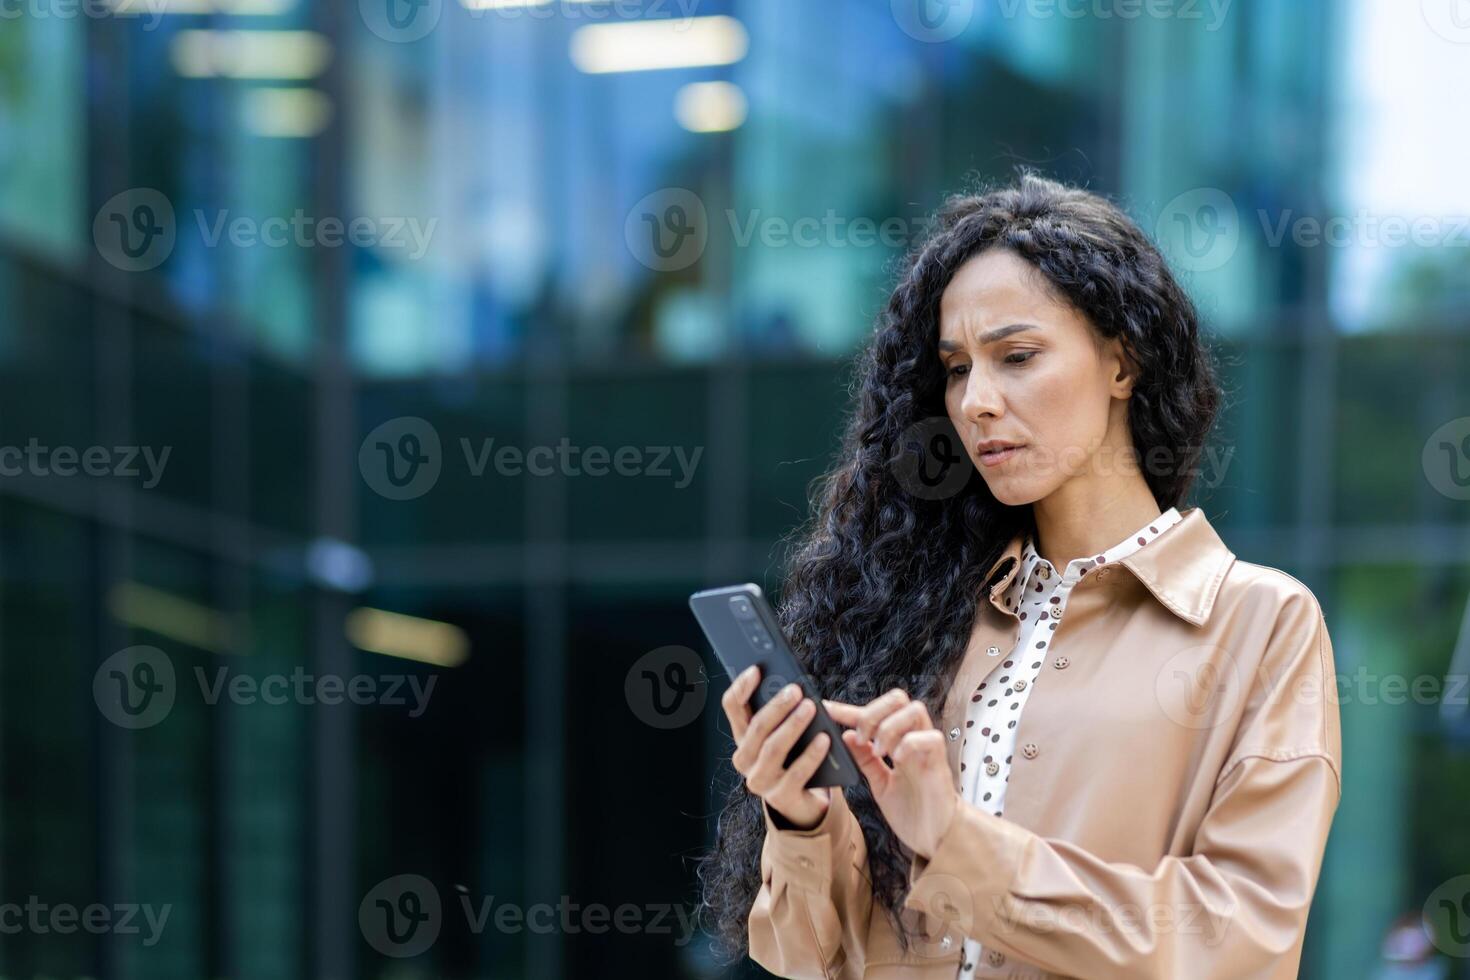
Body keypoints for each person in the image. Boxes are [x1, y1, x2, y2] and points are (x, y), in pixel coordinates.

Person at [697, 171, 1343, 979]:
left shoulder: (1259, 622)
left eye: (1018, 356)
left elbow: (1237, 939)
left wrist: (955, 842)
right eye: (959, 367)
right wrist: (798, 816)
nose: (977, 401)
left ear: (1122, 362)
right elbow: (803, 955)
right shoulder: (928, 613)